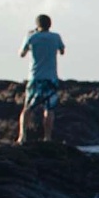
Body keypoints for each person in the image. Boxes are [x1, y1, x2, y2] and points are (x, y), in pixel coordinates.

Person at [18, 14, 65, 143]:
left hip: (35, 76)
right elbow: (62, 51)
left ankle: (22, 136)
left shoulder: (32, 37)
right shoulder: (55, 37)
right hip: (51, 77)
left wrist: (30, 36)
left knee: (28, 108)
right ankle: (47, 137)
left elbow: (21, 54)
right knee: (49, 109)